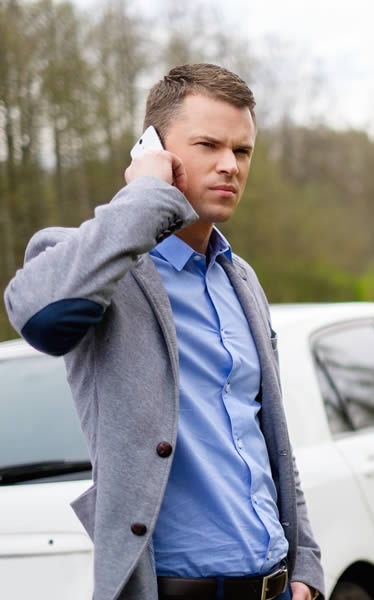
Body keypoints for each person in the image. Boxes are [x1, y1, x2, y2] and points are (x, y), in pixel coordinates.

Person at [3, 64, 324, 600]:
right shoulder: (98, 265)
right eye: (208, 145)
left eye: (242, 151)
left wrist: (306, 565)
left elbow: (268, 439)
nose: (230, 166)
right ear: (152, 147)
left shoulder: (240, 278)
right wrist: (146, 194)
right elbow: (39, 318)